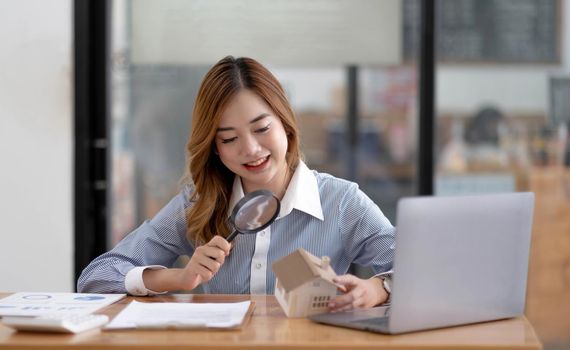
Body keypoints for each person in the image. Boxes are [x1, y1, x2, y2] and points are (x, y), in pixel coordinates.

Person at [78, 56, 395, 311]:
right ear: (214, 147)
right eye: (229, 138)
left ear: (285, 123)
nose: (251, 149)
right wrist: (178, 276)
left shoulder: (341, 201)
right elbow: (96, 278)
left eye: (261, 128)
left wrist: (376, 289)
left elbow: (422, 271)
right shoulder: (198, 204)